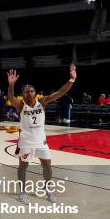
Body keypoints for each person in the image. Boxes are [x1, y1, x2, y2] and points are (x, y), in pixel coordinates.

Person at [7, 64, 77, 205]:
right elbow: (10, 96)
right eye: (27, 92)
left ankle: (48, 188)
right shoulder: (20, 105)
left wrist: (71, 80)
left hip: (41, 141)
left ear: (35, 92)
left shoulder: (42, 102)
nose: (30, 93)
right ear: (23, 94)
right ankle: (22, 191)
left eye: (32, 91)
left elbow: (60, 93)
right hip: (26, 142)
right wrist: (11, 84)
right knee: (23, 166)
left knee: (47, 166)